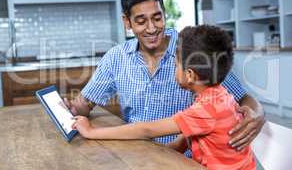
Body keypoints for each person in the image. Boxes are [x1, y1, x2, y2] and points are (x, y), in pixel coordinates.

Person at [65, 0, 264, 152]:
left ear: (164, 13)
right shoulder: (116, 57)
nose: (152, 28)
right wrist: (72, 110)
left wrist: (257, 114)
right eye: (141, 21)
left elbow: (243, 98)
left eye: (157, 18)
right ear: (127, 22)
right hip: (135, 155)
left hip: (187, 160)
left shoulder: (192, 49)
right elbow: (86, 103)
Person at [72, 25, 257, 169]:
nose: (173, 68)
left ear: (190, 75)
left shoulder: (206, 109)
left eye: (176, 64)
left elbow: (147, 130)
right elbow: (190, 136)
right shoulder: (219, 96)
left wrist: (91, 132)